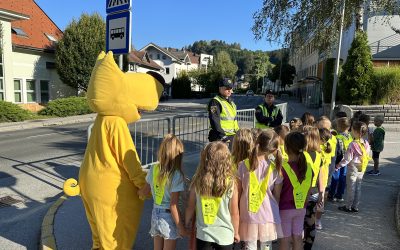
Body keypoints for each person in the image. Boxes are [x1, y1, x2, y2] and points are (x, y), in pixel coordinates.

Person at [185, 142, 240, 249]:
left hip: (204, 234)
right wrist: (236, 232)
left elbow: (190, 207)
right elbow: (234, 213)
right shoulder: (231, 183)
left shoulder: (197, 181)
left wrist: (185, 224)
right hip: (225, 234)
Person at [138, 134, 187, 250]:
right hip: (169, 216)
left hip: (155, 214)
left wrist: (137, 192)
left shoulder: (154, 169)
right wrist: (181, 228)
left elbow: (144, 192)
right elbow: (173, 205)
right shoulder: (176, 175)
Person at [237, 130, 283, 250]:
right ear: (274, 149)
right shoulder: (276, 167)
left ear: (257, 142)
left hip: (248, 212)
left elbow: (238, 191)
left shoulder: (242, 165)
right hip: (268, 213)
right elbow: (277, 196)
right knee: (266, 246)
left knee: (250, 245)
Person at [279, 132, 312, 250]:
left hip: (284, 209)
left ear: (286, 148)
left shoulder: (282, 167)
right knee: (298, 237)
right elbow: (309, 190)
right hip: (301, 208)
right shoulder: (308, 167)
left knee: (285, 239)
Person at [337, 121, 371, 213]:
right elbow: (367, 155)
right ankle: (355, 206)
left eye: (352, 129)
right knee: (358, 187)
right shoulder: (366, 143)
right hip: (362, 167)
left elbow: (347, 159)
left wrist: (338, 166)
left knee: (351, 187)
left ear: (356, 131)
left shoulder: (353, 144)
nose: (351, 131)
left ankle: (348, 206)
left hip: (353, 167)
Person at [302, 126, 324, 248]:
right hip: (315, 191)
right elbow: (320, 176)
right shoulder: (318, 155)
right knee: (311, 220)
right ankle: (308, 245)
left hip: (306, 192)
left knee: (301, 221)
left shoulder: (303, 155)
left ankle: (300, 244)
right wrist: (321, 193)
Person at [207, 78, 239, 145]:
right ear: (220, 88)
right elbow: (214, 120)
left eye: (231, 88)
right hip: (221, 137)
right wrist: (222, 136)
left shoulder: (231, 102)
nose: (229, 90)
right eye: (227, 88)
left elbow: (233, 120)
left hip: (232, 135)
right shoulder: (215, 102)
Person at [329, 117, 352, 202]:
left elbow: (337, 150)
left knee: (335, 177)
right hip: (346, 161)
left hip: (338, 161)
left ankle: (332, 194)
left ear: (338, 126)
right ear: (349, 127)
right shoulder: (350, 136)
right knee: (343, 177)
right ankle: (340, 195)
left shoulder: (337, 137)